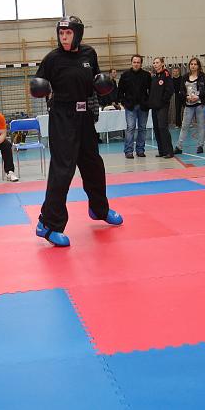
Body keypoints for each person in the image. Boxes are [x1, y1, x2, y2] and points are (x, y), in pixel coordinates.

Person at [29, 16, 122, 247]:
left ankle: (99, 209)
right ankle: (48, 224)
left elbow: (96, 81)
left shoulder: (89, 54)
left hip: (85, 116)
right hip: (62, 117)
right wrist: (40, 88)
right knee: (63, 171)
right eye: (61, 33)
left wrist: (102, 86)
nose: (64, 37)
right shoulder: (52, 59)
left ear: (77, 34)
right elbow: (38, 83)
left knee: (93, 165)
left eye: (68, 33)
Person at [174, 57, 205, 154]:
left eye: (195, 64)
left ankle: (200, 146)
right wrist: (186, 97)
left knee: (201, 125)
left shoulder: (203, 76)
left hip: (200, 105)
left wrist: (198, 96)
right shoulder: (185, 77)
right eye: (191, 64)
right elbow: (181, 90)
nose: (193, 66)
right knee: (184, 126)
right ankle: (179, 146)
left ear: (198, 66)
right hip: (188, 105)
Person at [117, 55, 151, 159]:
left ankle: (140, 150)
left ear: (141, 64)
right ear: (131, 63)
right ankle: (128, 151)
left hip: (143, 106)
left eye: (138, 62)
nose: (136, 64)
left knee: (142, 128)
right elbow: (120, 91)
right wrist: (124, 102)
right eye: (134, 62)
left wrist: (148, 102)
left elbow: (151, 90)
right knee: (130, 128)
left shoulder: (146, 75)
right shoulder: (125, 75)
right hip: (130, 106)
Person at [148, 57, 175, 158]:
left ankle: (169, 151)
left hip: (162, 106)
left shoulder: (166, 75)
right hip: (154, 107)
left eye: (157, 62)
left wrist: (162, 101)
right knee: (156, 128)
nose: (155, 64)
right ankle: (162, 151)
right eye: (154, 63)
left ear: (162, 63)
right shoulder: (155, 76)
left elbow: (170, 90)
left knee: (163, 127)